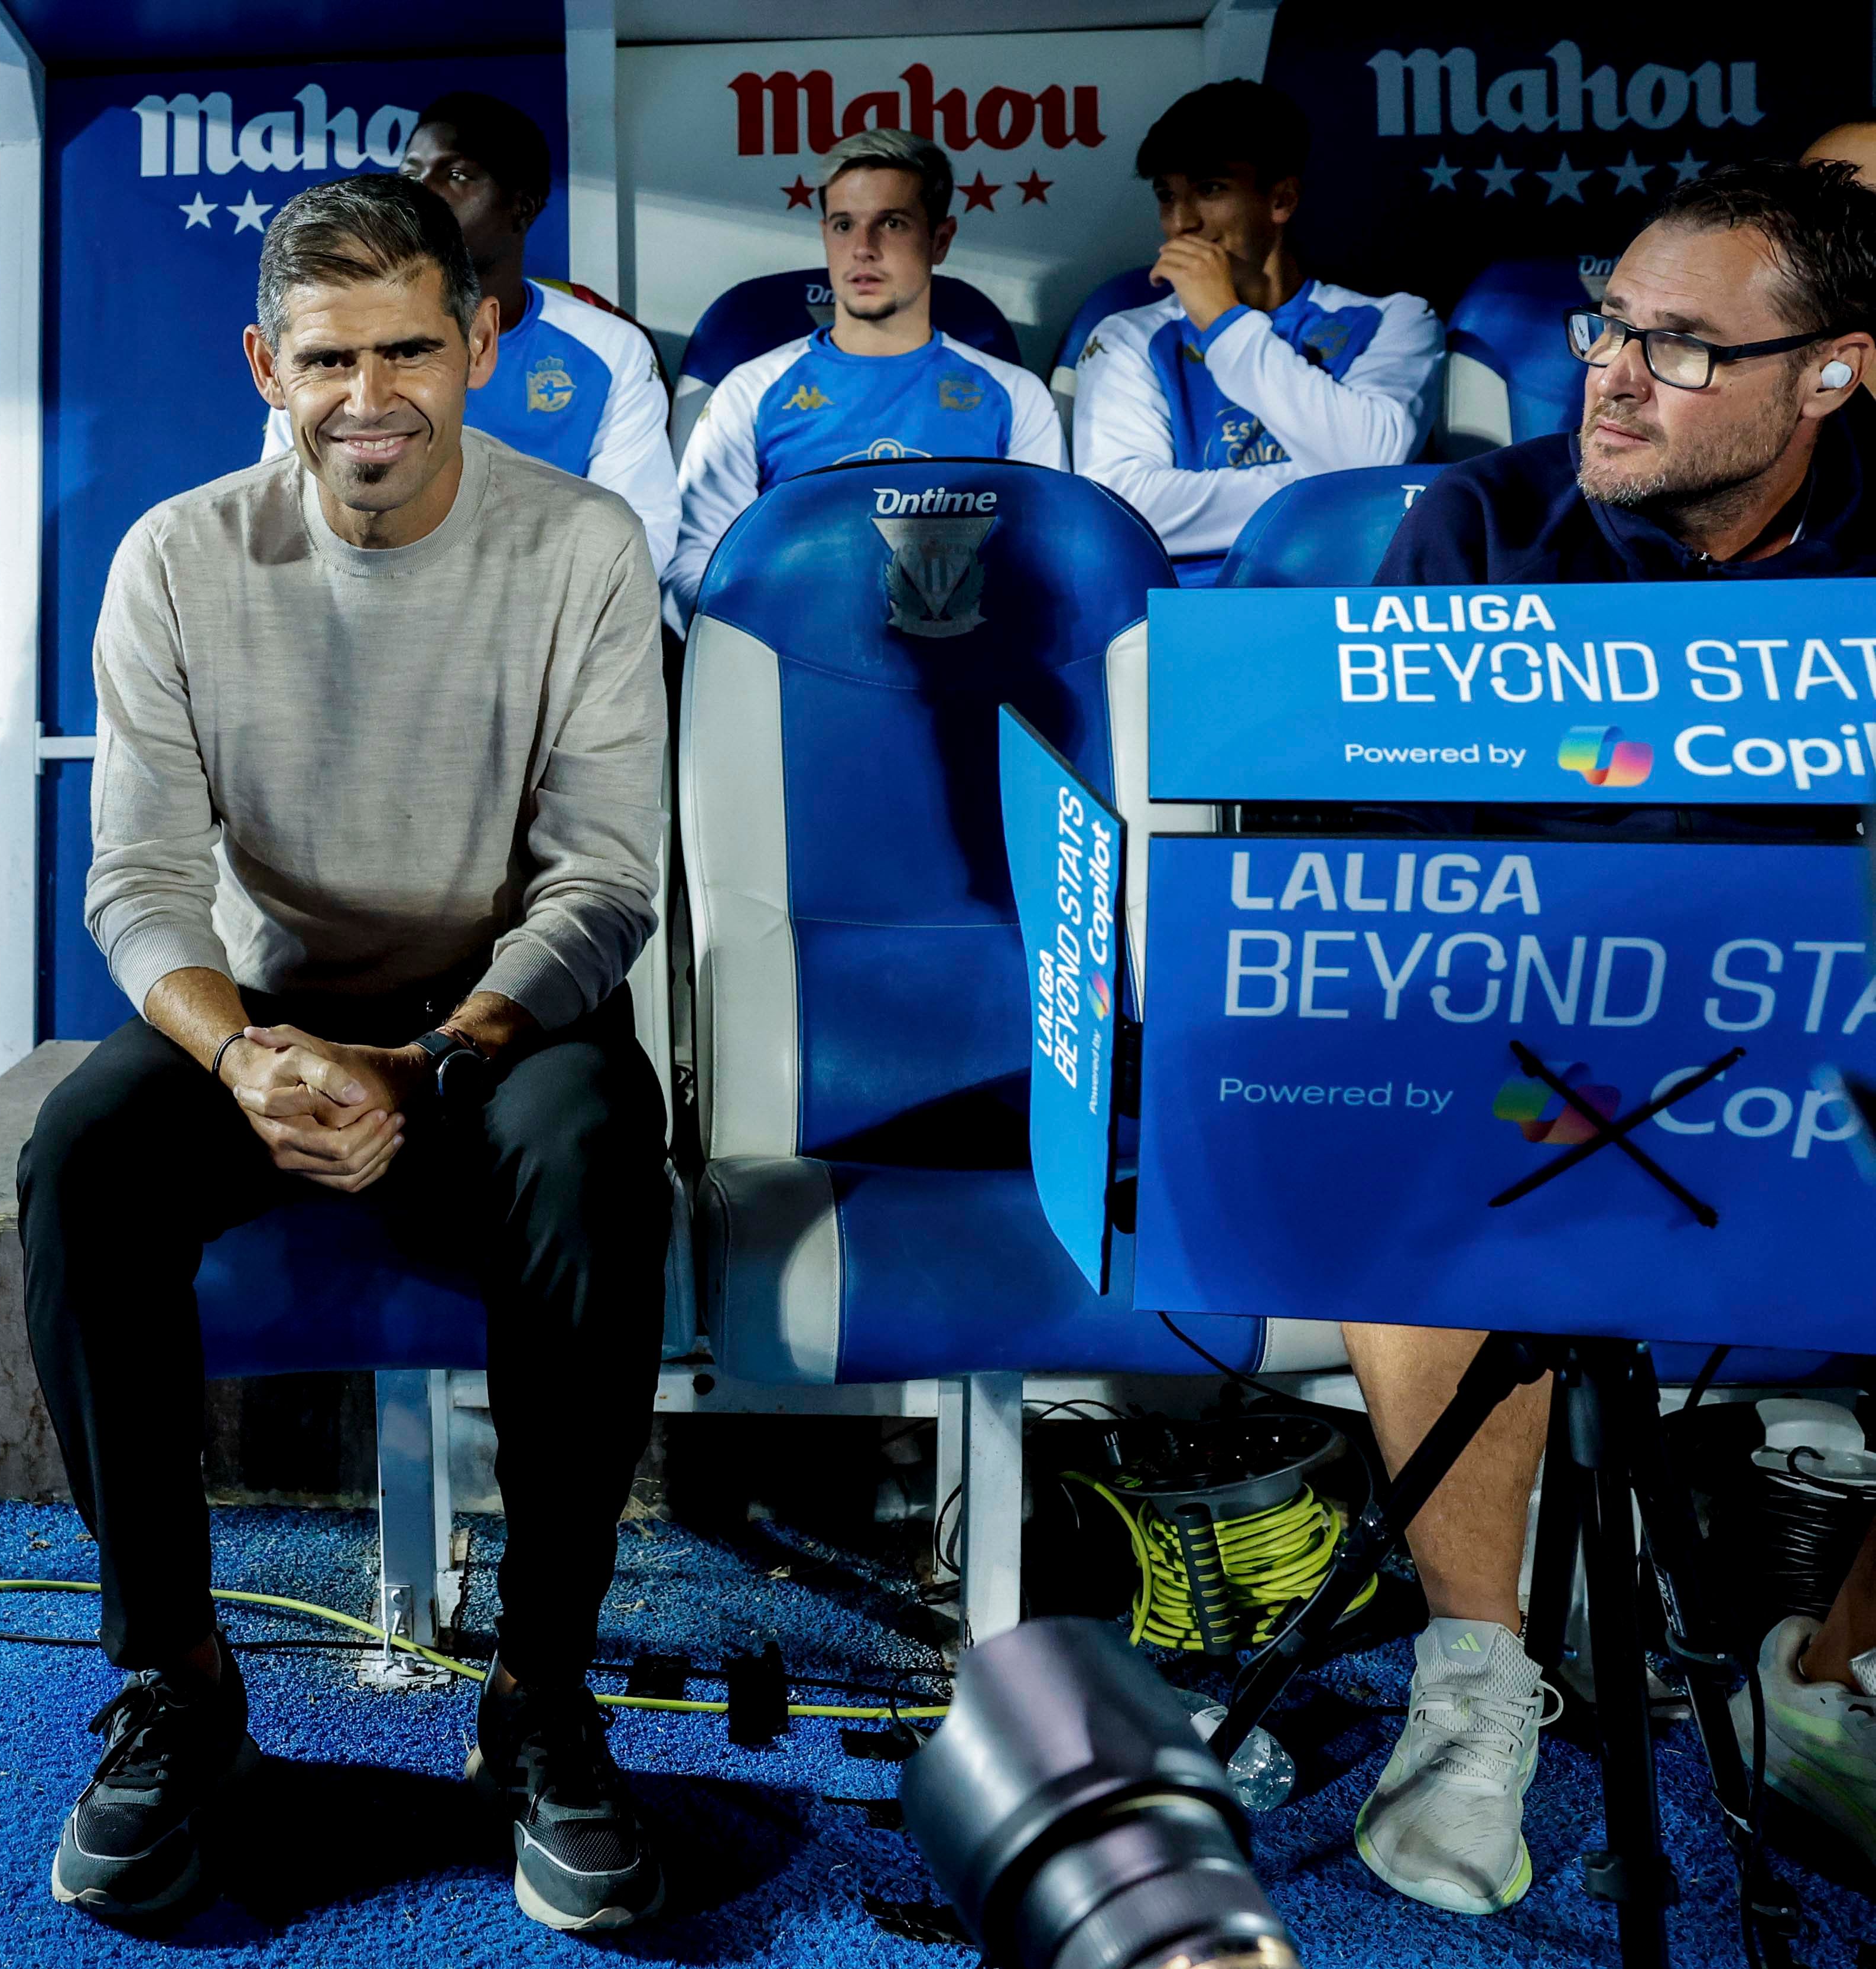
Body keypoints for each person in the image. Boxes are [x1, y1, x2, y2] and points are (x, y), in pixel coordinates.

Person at [22, 173, 670, 1934]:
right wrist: (246, 1061)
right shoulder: (175, 557)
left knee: (598, 1156)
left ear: (478, 344)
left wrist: (436, 1057)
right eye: (326, 357)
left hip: (497, 1026)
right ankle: (179, 1687)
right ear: (263, 362)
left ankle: (539, 1694)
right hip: (274, 1025)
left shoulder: (583, 546)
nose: (368, 394)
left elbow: (608, 879)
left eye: (408, 348)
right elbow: (141, 885)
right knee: (78, 1160)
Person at [1355, 159, 1876, 1918]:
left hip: (1825, 1059)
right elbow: (1391, 919)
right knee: (1415, 1123)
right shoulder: (1470, 533)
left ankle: (1827, 1680)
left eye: (1679, 346)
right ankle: (1474, 1672)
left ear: (1830, 374)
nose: (1612, 373)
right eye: (1605, 328)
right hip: (1533, 1056)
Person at [255, 90, 677, 577]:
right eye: (412, 173)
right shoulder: (326, 335)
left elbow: (642, 533)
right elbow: (292, 510)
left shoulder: (609, 347)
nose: (421, 192)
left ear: (522, 207)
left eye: (456, 176)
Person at [669, 126, 1061, 621]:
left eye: (892, 223)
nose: (863, 248)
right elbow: (695, 561)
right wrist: (776, 636)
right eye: (843, 226)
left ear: (940, 239)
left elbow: (1050, 556)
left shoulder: (1015, 394)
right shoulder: (751, 391)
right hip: (797, 663)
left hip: (968, 668)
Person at [1074, 80, 1441, 584]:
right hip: (1197, 617)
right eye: (1166, 196)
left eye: (1209, 190)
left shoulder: (1398, 319)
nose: (1180, 222)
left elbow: (1372, 458)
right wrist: (1325, 485)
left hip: (1356, 611)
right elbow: (1122, 507)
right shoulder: (1128, 336)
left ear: (1281, 201)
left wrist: (1224, 323)